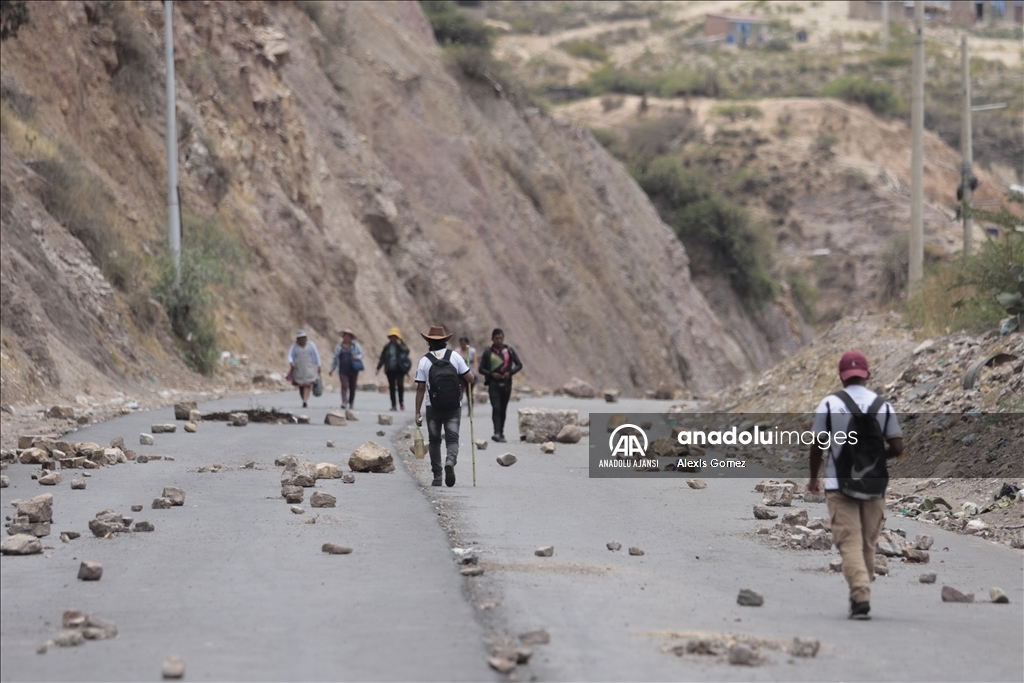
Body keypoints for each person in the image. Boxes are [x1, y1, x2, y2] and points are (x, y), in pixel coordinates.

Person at [809, 350, 903, 621]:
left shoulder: (829, 404)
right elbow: (897, 447)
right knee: (867, 544)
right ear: (867, 376)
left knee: (849, 542)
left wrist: (813, 478)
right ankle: (860, 595)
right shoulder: (882, 406)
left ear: (841, 377)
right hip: (874, 484)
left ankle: (860, 595)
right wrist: (874, 459)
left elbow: (817, 447)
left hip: (839, 484)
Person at [414, 326, 473, 487]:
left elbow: (420, 388)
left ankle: (437, 476)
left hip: (432, 407)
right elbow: (470, 378)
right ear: (445, 341)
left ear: (428, 341)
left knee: (434, 441)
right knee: (452, 439)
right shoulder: (455, 356)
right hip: (454, 406)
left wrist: (417, 412)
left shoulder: (424, 361)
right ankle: (450, 461)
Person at [477, 328, 522, 443]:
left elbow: (519, 365)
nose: (498, 340)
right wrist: (491, 374)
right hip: (493, 383)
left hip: (506, 384)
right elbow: (481, 368)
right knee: (496, 407)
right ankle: (496, 432)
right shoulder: (488, 352)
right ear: (492, 339)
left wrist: (510, 373)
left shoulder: (509, 351)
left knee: (503, 409)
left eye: (500, 338)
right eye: (496, 338)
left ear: (503, 338)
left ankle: (501, 432)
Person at [376, 327, 412, 411]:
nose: (393, 338)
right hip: (390, 369)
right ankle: (393, 405)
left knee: (400, 386)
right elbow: (382, 358)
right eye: (392, 336)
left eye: (395, 337)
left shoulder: (402, 345)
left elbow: (407, 351)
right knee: (392, 387)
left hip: (399, 369)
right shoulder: (387, 347)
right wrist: (378, 368)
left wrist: (399, 344)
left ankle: (401, 403)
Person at [329, 329, 364, 410]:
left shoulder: (355, 346)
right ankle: (344, 402)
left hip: (353, 369)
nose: (347, 338)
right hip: (342, 369)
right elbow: (335, 358)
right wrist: (332, 369)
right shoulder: (339, 346)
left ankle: (351, 402)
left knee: (352, 387)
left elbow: (362, 354)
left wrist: (357, 357)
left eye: (348, 336)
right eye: (345, 336)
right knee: (344, 385)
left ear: (351, 338)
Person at [287, 330, 321, 408]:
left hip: (309, 367)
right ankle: (304, 399)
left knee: (307, 384)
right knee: (301, 386)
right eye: (300, 338)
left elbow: (316, 355)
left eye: (303, 338)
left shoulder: (311, 345)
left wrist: (319, 365)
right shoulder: (294, 347)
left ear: (305, 338)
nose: (301, 340)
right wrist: (291, 362)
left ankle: (305, 401)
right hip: (299, 369)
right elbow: (290, 356)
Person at [458, 336, 477, 410]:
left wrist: (475, 372)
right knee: (460, 390)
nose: (463, 345)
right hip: (460, 375)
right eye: (461, 344)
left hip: (470, 373)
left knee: (470, 392)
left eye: (464, 344)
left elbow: (475, 362)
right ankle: (458, 407)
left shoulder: (472, 351)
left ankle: (470, 408)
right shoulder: (457, 351)